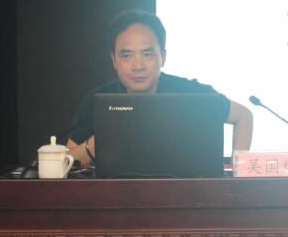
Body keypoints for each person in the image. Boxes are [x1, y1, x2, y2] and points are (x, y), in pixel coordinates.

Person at [66, 10, 253, 166]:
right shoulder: (98, 100)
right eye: (127, 56)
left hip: (184, 194)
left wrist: (236, 178)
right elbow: (67, 163)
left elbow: (243, 117)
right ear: (114, 60)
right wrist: (101, 140)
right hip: (117, 195)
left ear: (162, 57)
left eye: (147, 54)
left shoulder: (190, 94)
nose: (138, 66)